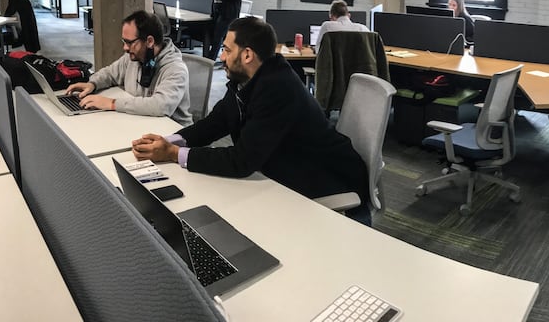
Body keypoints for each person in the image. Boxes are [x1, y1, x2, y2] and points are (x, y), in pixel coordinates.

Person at [131, 17, 372, 225]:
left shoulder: (278, 89)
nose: (222, 57)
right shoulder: (245, 80)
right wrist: (171, 141)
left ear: (247, 55)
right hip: (281, 172)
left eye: (226, 49)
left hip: (328, 180)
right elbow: (216, 122)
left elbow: (242, 161)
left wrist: (174, 154)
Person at [66, 10, 192, 126]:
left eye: (129, 42)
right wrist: (92, 84)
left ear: (149, 41)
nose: (125, 48)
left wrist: (112, 103)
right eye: (124, 41)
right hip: (142, 123)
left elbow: (160, 106)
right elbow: (110, 73)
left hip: (173, 134)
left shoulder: (175, 69)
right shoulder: (134, 57)